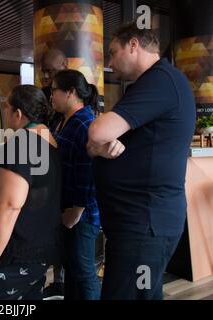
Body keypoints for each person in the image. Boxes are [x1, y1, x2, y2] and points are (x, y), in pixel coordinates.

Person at [87, 22, 196, 300]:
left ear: (133, 45)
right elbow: (96, 143)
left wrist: (98, 143)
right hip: (139, 225)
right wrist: (98, 150)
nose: (110, 63)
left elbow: (98, 131)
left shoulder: (161, 81)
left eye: (113, 53)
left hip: (145, 225)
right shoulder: (150, 84)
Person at [0, 85, 62, 300]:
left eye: (6, 107)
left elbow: (11, 205)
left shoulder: (21, 143)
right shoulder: (51, 143)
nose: (4, 112)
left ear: (17, 113)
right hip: (39, 249)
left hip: (13, 254)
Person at [51, 69, 101, 300]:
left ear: (70, 92)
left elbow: (88, 172)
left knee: (83, 272)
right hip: (68, 210)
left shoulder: (85, 123)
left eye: (54, 91)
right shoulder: (65, 121)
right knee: (72, 269)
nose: (51, 96)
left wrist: (77, 210)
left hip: (81, 214)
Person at [40, 48, 67, 298]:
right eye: (44, 72)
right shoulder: (43, 97)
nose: (47, 76)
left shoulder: (75, 100)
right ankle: (58, 283)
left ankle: (65, 283)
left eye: (52, 70)